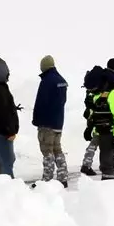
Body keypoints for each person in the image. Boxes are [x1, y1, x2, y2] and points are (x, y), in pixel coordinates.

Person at [82, 58, 114, 176]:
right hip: (105, 124)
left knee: (104, 149)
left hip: (96, 120)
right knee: (104, 150)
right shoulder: (111, 82)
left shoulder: (102, 80)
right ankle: (87, 165)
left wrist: (89, 125)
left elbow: (93, 106)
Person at [32, 55, 69, 186]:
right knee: (57, 150)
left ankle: (46, 181)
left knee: (47, 151)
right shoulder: (61, 80)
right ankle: (63, 177)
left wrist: (36, 120)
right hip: (58, 122)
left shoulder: (47, 81)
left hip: (46, 123)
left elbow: (41, 102)